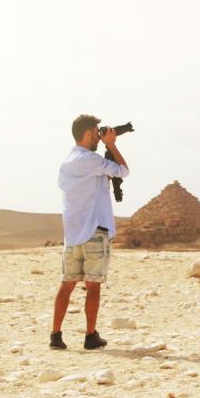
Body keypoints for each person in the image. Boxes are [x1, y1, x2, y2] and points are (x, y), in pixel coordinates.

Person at [50, 114, 130, 350]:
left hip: (72, 233)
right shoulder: (91, 160)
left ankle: (55, 335)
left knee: (67, 284)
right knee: (93, 286)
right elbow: (123, 171)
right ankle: (90, 335)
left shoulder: (66, 162)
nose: (99, 136)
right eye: (97, 132)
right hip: (95, 229)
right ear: (87, 134)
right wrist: (112, 145)